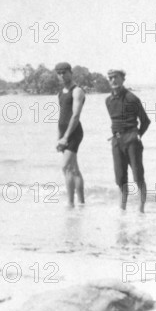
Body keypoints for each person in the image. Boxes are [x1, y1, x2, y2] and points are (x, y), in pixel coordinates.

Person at [106, 69, 151, 213]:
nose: (113, 80)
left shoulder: (132, 98)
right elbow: (115, 120)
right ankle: (122, 208)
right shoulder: (108, 100)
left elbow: (145, 120)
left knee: (138, 176)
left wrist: (138, 134)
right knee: (120, 177)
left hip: (131, 139)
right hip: (116, 140)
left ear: (123, 79)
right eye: (110, 78)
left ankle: (141, 209)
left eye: (116, 77)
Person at [55, 62, 86, 207]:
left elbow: (75, 116)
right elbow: (61, 117)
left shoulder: (77, 91)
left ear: (70, 72)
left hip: (74, 133)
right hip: (64, 134)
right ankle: (81, 203)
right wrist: (59, 137)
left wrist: (66, 137)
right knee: (73, 169)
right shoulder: (61, 92)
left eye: (64, 72)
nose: (62, 75)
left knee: (65, 167)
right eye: (59, 73)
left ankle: (70, 203)